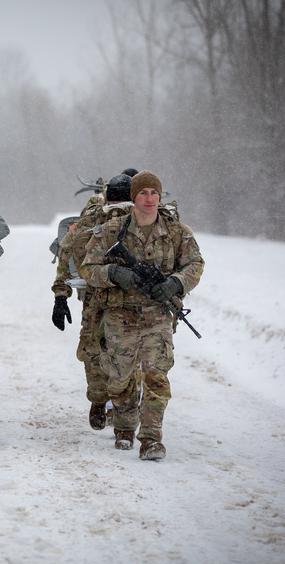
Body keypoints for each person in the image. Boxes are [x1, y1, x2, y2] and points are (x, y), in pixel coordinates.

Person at [80, 170, 204, 460]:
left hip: (158, 316)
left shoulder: (177, 232)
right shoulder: (111, 231)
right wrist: (113, 273)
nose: (149, 199)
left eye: (154, 193)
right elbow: (88, 268)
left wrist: (175, 283)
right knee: (120, 377)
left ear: (160, 197)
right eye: (143, 193)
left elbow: (195, 264)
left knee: (156, 376)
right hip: (120, 316)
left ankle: (151, 438)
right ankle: (124, 426)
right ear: (134, 197)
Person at [52, 173, 135, 435]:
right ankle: (106, 402)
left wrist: (61, 294)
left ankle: (109, 405)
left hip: (114, 298)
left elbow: (65, 251)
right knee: (108, 353)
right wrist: (60, 295)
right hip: (108, 298)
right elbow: (68, 248)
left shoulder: (97, 219)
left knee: (101, 352)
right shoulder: (99, 220)